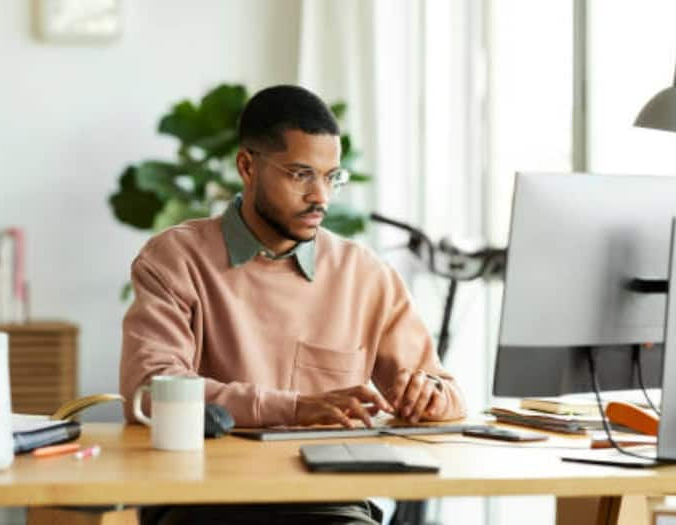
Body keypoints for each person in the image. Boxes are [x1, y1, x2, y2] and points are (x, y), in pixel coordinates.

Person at [120, 85, 466, 525]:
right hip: (203, 503)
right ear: (247, 166)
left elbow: (448, 392)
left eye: (331, 176)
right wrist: (296, 408)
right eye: (300, 174)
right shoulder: (175, 259)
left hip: (332, 508)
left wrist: (429, 398)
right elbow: (151, 392)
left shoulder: (365, 275)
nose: (320, 196)